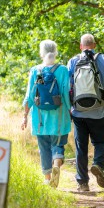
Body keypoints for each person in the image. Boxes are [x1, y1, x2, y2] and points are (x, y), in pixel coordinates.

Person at [68, 33, 104, 191]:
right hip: (99, 111)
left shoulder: (73, 61)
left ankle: (82, 183)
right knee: (102, 142)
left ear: (80, 46)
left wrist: (69, 107)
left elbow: (68, 87)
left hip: (78, 112)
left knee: (81, 147)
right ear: (94, 45)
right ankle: (97, 164)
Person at [21, 39, 71, 188]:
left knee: (44, 148)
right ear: (55, 52)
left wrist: (25, 116)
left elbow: (30, 95)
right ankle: (56, 163)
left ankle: (48, 179)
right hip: (59, 116)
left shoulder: (37, 71)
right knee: (58, 144)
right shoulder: (62, 70)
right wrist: (70, 110)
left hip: (40, 119)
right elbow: (65, 93)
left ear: (41, 53)